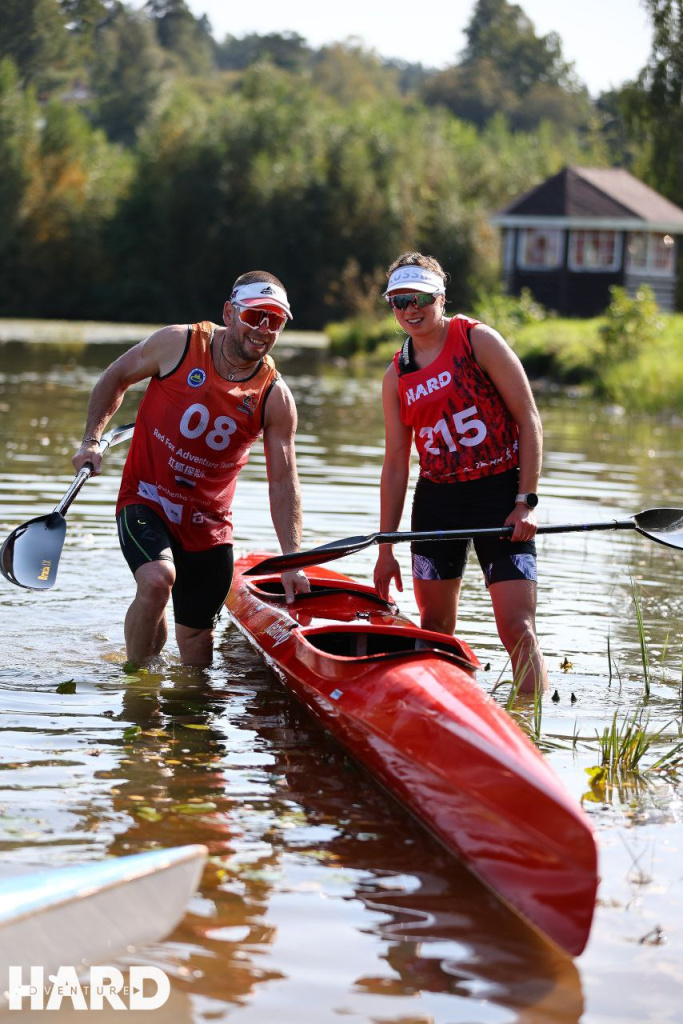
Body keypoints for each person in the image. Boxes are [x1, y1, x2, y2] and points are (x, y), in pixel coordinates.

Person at [72, 271, 309, 668]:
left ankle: (181, 711)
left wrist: (292, 559)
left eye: (276, 321)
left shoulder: (275, 396)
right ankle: (138, 690)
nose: (264, 330)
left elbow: (283, 481)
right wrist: (91, 441)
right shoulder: (178, 344)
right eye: (255, 317)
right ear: (230, 312)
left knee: (197, 651)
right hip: (147, 498)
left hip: (208, 524)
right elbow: (115, 378)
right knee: (156, 581)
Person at [373, 253, 548, 693]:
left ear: (441, 297)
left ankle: (531, 732)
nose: (411, 309)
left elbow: (529, 420)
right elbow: (397, 463)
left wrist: (525, 502)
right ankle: (445, 719)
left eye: (421, 299)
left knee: (517, 629)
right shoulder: (396, 375)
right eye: (400, 301)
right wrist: (385, 545)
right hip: (437, 504)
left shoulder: (477, 341)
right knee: (434, 627)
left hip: (499, 498)